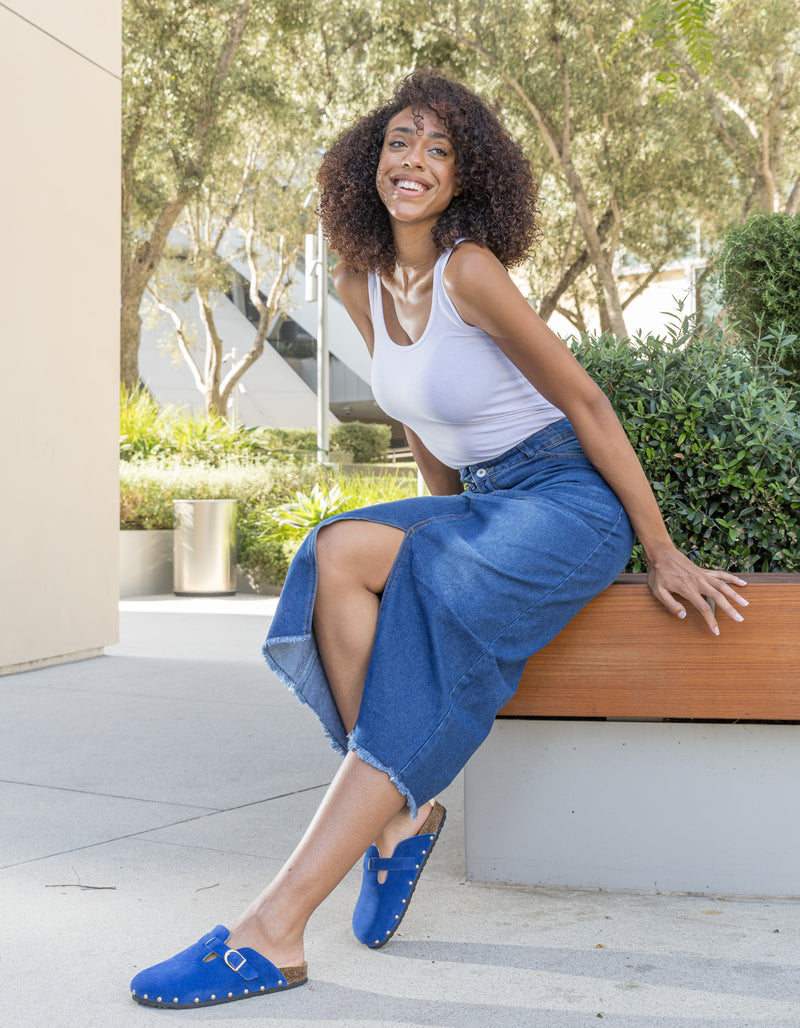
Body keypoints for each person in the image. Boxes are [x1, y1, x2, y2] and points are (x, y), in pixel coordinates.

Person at [130, 71, 748, 1009]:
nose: (413, 162)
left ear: (466, 178)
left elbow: (585, 403)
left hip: (566, 504)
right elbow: (420, 421)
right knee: (335, 554)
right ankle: (400, 814)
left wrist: (658, 547)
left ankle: (272, 930)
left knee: (421, 583)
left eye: (438, 150)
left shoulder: (470, 270)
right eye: (398, 144)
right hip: (488, 502)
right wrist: (439, 520)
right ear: (368, 164)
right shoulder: (360, 281)